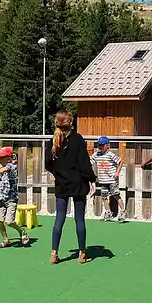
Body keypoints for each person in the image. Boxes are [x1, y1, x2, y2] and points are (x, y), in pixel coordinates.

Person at [45, 110, 96, 265]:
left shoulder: (53, 140)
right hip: (78, 184)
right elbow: (84, 164)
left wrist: (58, 174)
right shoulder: (77, 139)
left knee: (59, 218)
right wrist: (92, 180)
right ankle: (82, 254)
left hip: (61, 185)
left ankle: (54, 253)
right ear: (71, 123)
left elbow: (48, 164)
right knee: (79, 219)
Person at [0, 146, 30, 249]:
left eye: (2, 157)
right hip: (2, 199)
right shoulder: (2, 170)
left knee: (9, 221)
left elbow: (6, 169)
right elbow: (0, 180)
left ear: (9, 159)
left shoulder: (11, 167)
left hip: (11, 200)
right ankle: (6, 240)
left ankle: (22, 231)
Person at [89, 136, 124, 222]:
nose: (99, 147)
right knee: (104, 197)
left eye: (102, 145)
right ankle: (108, 213)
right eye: (98, 145)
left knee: (116, 195)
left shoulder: (110, 155)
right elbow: (89, 161)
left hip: (112, 180)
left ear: (107, 146)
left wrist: (117, 173)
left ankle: (123, 211)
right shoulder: (97, 154)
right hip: (103, 181)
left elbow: (120, 161)